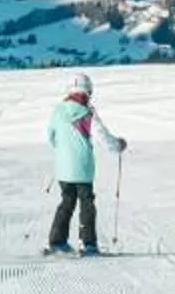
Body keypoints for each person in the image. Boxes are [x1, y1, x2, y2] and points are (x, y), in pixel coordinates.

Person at [45, 70, 126, 255]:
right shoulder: (87, 115)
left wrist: (64, 151)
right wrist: (119, 145)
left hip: (63, 169)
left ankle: (57, 242)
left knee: (66, 203)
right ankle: (88, 244)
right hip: (82, 169)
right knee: (86, 204)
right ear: (87, 92)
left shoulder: (57, 111)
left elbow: (51, 137)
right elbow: (104, 139)